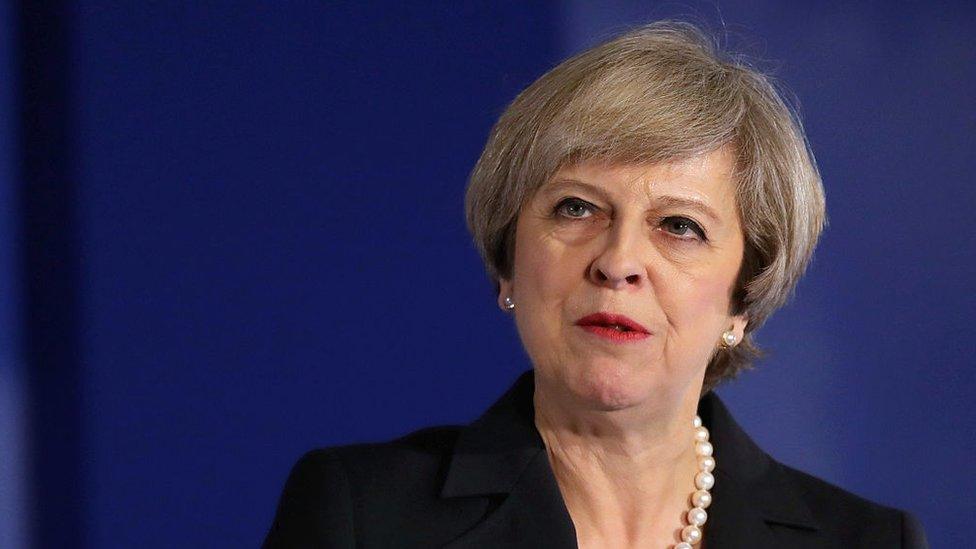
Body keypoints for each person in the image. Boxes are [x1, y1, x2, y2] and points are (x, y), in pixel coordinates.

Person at [263, 21, 928, 548]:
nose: (618, 260)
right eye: (576, 208)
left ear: (743, 298)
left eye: (679, 225)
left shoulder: (866, 541)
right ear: (507, 262)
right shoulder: (361, 517)